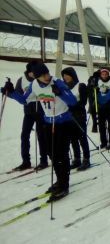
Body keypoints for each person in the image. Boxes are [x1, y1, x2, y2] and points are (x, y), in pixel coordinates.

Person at [2, 63, 77, 201]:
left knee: (61, 154)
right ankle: (60, 180)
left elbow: (72, 101)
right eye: (43, 75)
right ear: (36, 77)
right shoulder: (34, 85)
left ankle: (64, 184)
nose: (47, 77)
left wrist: (60, 93)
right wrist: (11, 92)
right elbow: (24, 100)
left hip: (63, 122)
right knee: (51, 153)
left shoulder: (57, 82)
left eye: (47, 73)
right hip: (48, 122)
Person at [13, 60, 48, 171]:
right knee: (24, 135)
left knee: (41, 136)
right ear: (29, 72)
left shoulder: (39, 79)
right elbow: (18, 96)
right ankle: (26, 161)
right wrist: (8, 91)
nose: (36, 74)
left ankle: (44, 160)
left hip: (40, 109)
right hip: (28, 111)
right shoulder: (21, 80)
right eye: (33, 72)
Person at [61, 67, 91, 171]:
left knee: (82, 138)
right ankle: (77, 159)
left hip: (79, 115)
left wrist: (72, 106)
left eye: (67, 75)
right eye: (64, 76)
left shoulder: (80, 85)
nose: (65, 77)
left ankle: (86, 159)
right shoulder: (64, 88)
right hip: (68, 116)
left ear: (72, 75)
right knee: (72, 139)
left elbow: (83, 102)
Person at [96, 69, 110, 149]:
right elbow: (95, 90)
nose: (104, 76)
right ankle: (103, 142)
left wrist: (109, 91)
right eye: (102, 74)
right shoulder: (98, 81)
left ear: (108, 74)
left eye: (105, 74)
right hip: (101, 106)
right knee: (101, 126)